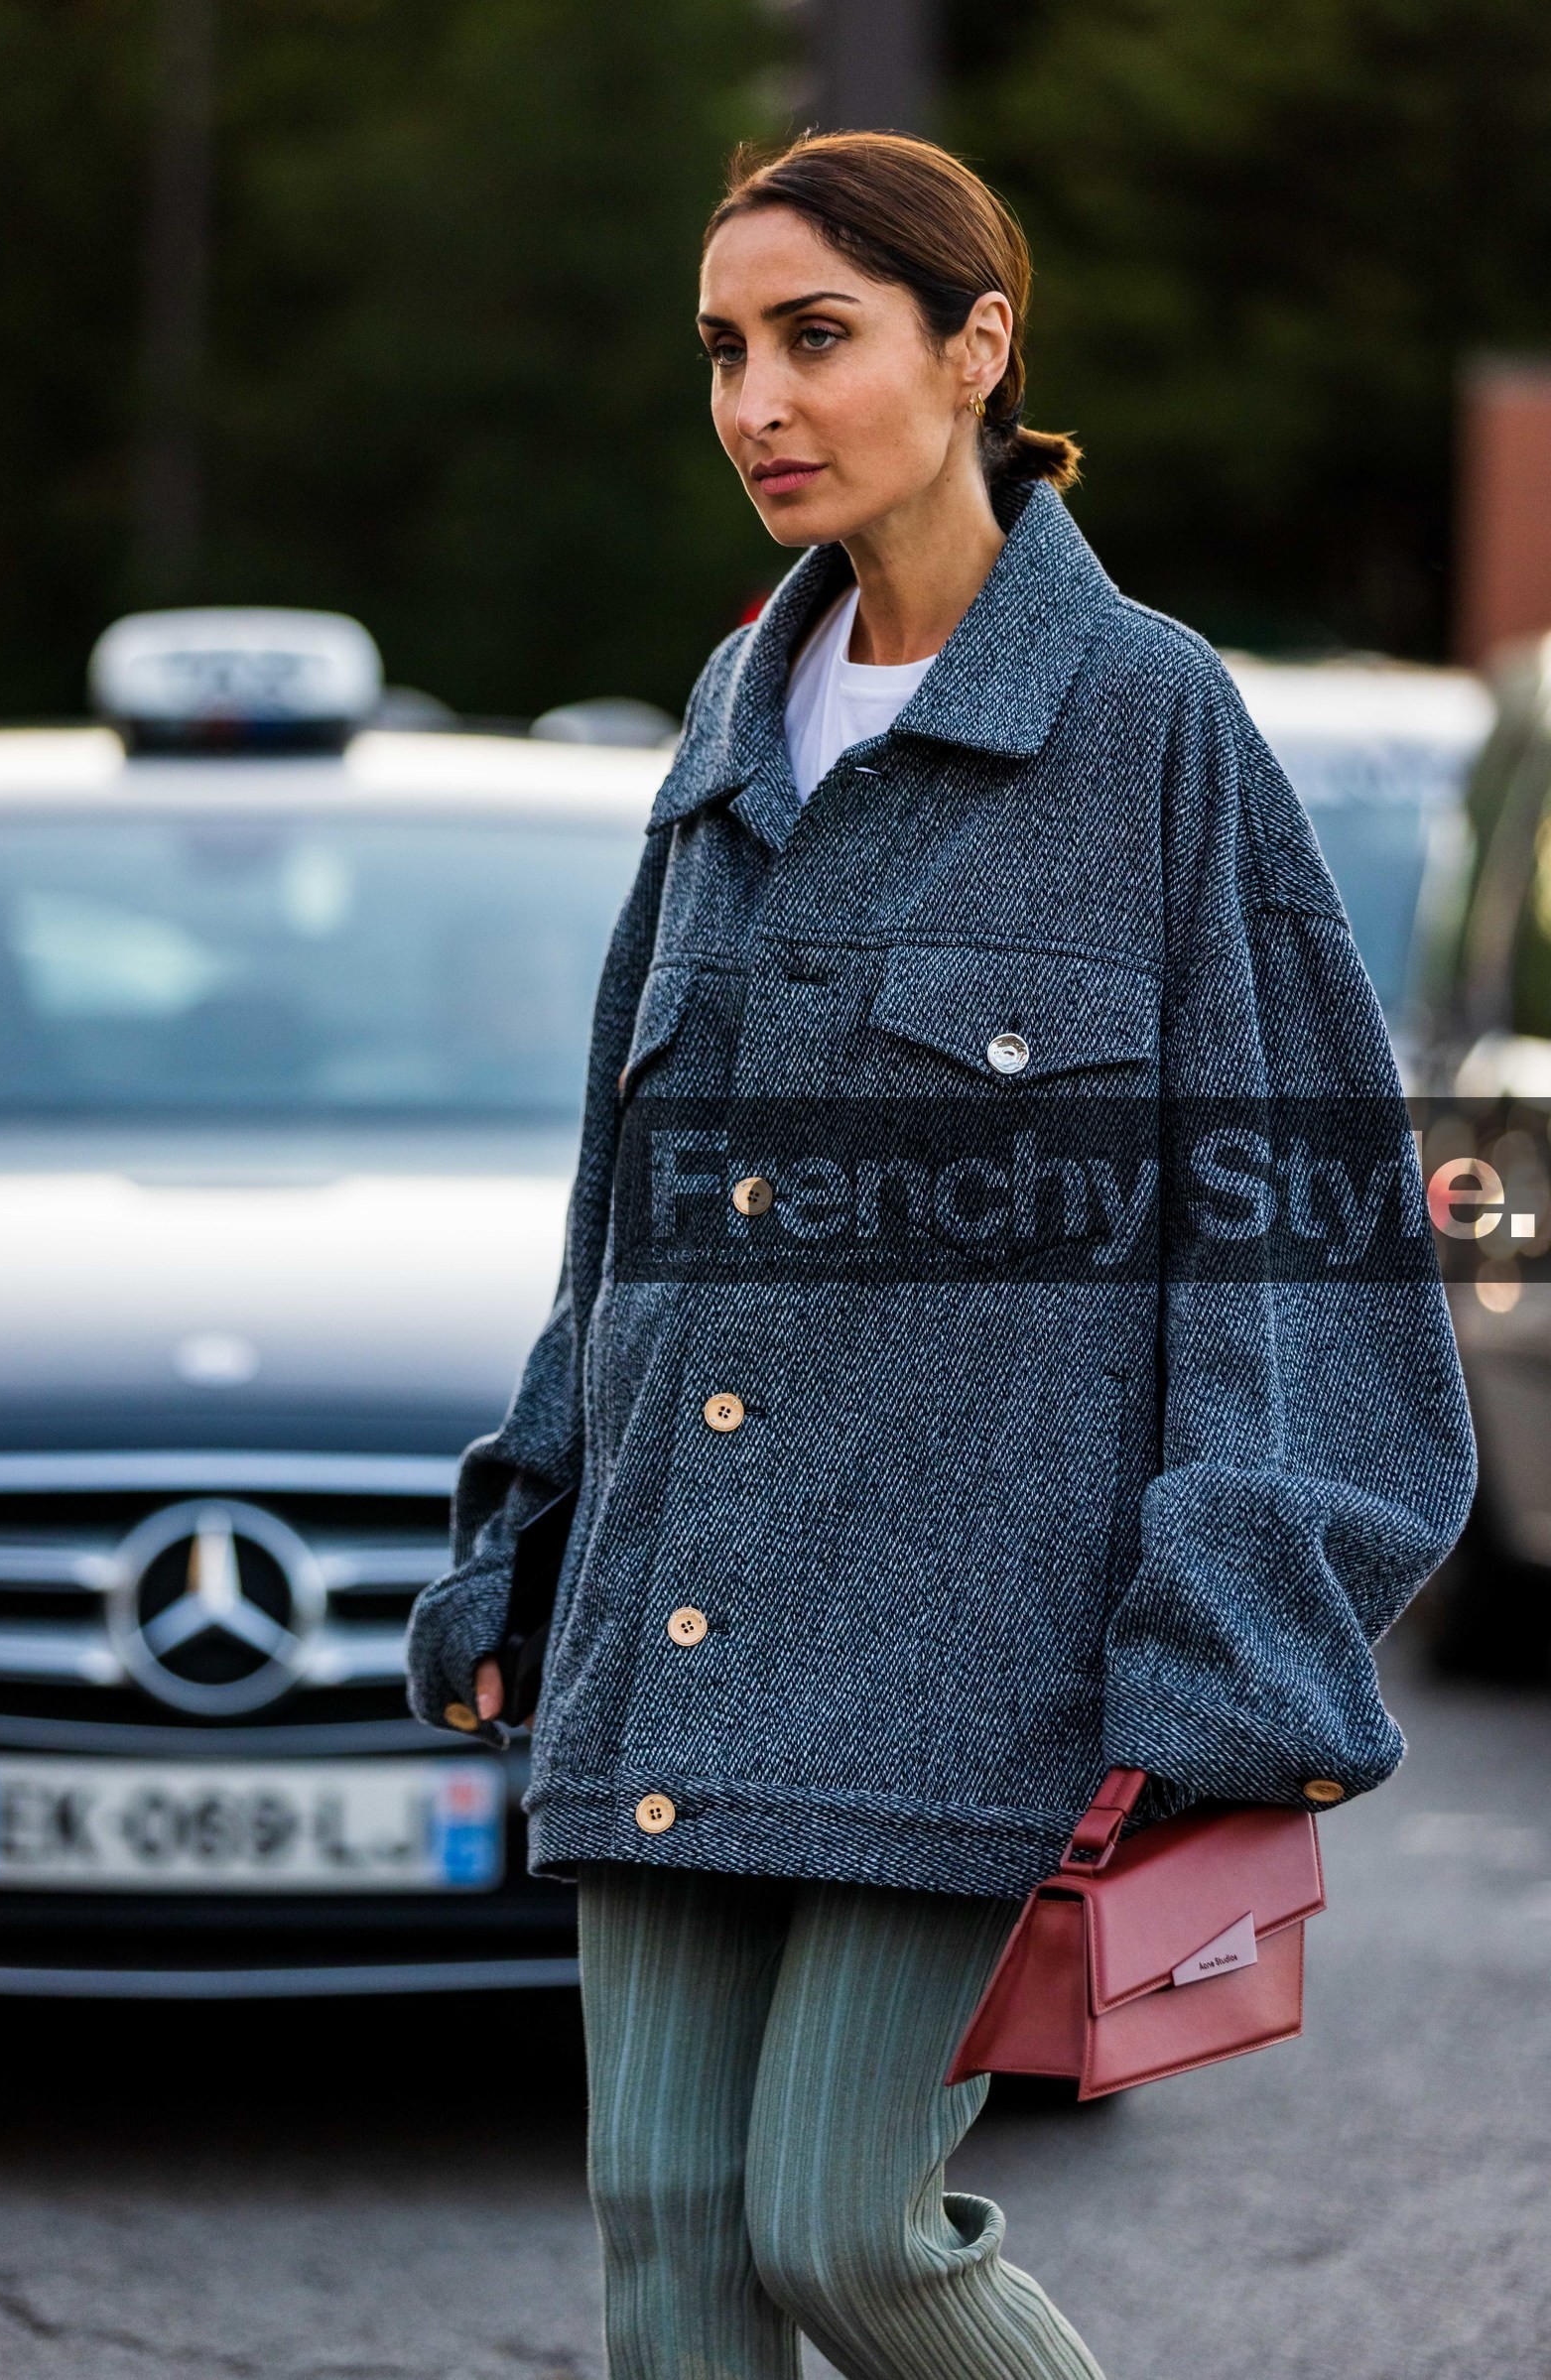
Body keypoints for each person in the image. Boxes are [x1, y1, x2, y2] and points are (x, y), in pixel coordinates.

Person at [408, 131, 1476, 2380]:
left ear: (973, 347)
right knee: (665, 2251)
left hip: (965, 1648)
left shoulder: (1147, 723)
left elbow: (1291, 1217)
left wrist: (1226, 1638)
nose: (754, 403)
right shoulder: (724, 730)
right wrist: (524, 1531)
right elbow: (629, 1210)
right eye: (721, 351)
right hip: (676, 1614)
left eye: (816, 338)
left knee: (843, 2230)